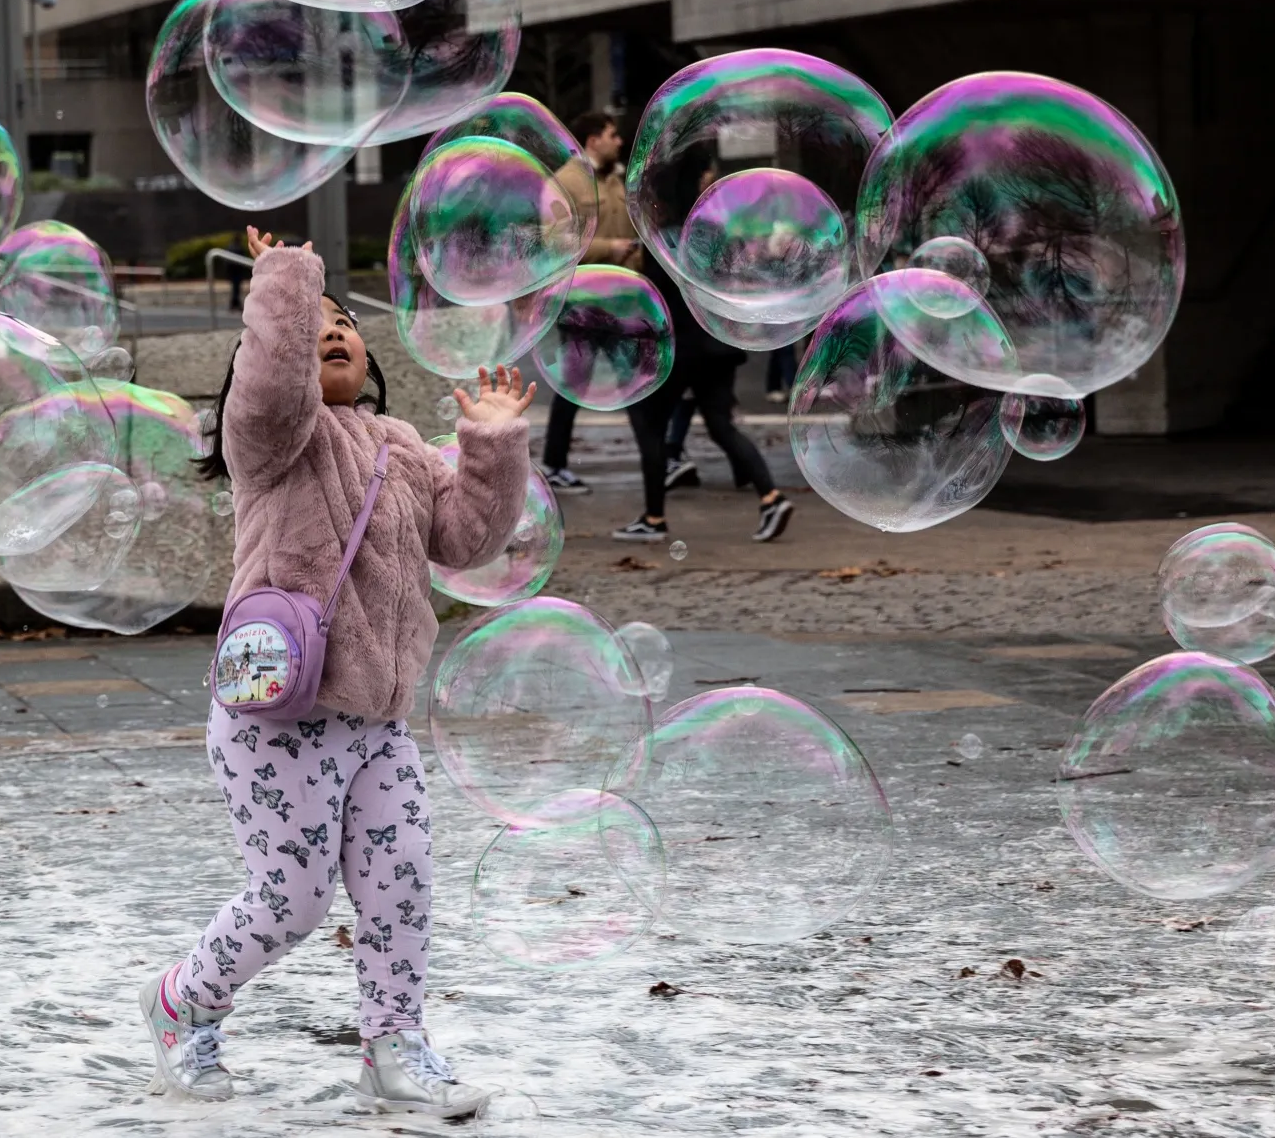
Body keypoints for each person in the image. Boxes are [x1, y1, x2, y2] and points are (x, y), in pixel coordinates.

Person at [144, 225, 533, 1117]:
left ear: (371, 356)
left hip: (378, 721)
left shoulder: (400, 446)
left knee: (402, 884)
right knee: (292, 899)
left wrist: (489, 444)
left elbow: (466, 539)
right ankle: (182, 1001)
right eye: (311, 323)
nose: (331, 328)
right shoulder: (275, 442)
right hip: (280, 713)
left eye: (345, 320)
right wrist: (286, 279)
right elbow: (269, 389)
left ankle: (393, 1048)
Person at [616, 224, 793, 543]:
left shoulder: (663, 239)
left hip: (682, 348)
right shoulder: (716, 233)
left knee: (650, 426)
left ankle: (654, 518)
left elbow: (653, 301)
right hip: (718, 346)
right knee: (721, 425)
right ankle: (771, 498)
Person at [540, 111, 641, 494]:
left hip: (620, 297)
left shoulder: (616, 179)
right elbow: (555, 240)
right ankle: (554, 464)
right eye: (613, 135)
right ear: (593, 139)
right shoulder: (565, 182)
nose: (619, 142)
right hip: (582, 300)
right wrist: (609, 248)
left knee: (634, 379)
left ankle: (663, 456)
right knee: (575, 384)